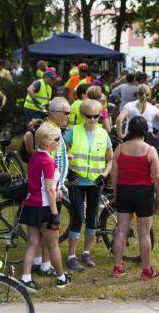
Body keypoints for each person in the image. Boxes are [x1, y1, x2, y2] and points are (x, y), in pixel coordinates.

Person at [19, 123, 72, 292]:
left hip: (30, 204)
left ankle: (25, 278)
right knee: (53, 244)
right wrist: (55, 213)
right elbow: (49, 189)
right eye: (57, 139)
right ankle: (61, 278)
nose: (59, 142)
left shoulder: (35, 156)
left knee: (33, 242)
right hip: (44, 206)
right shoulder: (48, 161)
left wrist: (55, 188)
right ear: (48, 142)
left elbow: (41, 182)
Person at [111, 116, 159, 280]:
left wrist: (116, 192)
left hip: (124, 190)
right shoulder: (150, 150)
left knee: (121, 231)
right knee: (144, 233)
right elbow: (157, 177)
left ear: (130, 129)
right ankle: (146, 271)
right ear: (145, 130)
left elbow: (114, 174)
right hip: (143, 193)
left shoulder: (119, 148)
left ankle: (117, 268)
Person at [65, 99, 113, 271]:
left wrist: (104, 175)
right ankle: (71, 256)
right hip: (76, 180)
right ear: (83, 116)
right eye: (89, 116)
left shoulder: (103, 134)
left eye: (96, 116)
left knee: (92, 217)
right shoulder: (73, 132)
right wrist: (68, 172)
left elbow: (110, 159)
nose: (93, 120)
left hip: (95, 182)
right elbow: (59, 152)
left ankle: (86, 253)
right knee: (78, 216)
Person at [116, 84, 159, 148]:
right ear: (148, 95)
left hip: (130, 137)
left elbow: (119, 120)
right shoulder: (153, 108)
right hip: (147, 139)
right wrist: (157, 136)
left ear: (137, 94)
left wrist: (120, 135)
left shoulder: (129, 106)